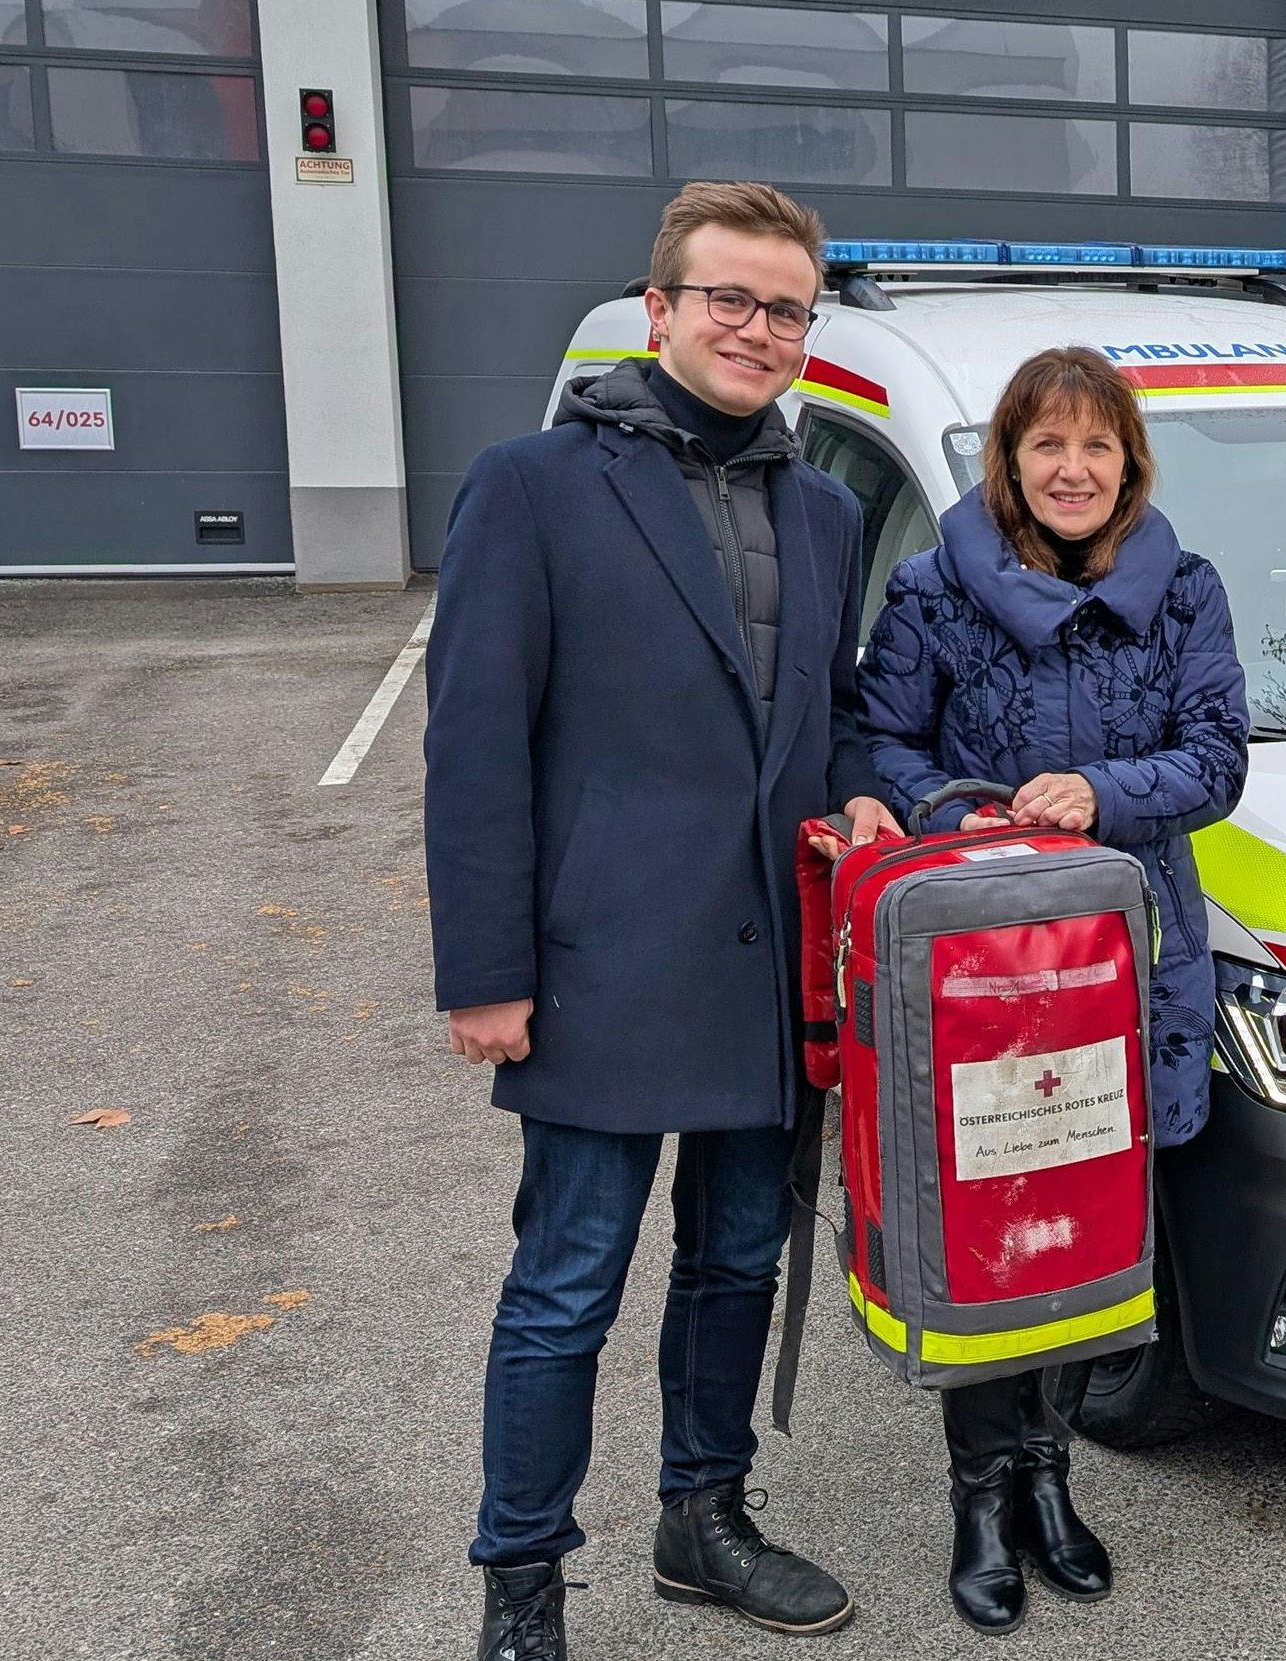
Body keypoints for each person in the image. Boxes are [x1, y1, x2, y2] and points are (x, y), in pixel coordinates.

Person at [428, 180, 901, 1659]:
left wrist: (877, 800)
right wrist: (487, 970)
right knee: (567, 1283)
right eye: (730, 299)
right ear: (663, 309)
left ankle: (704, 1516)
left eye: (784, 308)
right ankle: (522, 1584)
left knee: (738, 1260)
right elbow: (475, 742)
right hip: (601, 971)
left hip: (772, 972)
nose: (757, 329)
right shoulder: (534, 485)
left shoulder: (821, 510)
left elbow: (838, 720)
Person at [851, 345, 1247, 1634]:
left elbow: (1218, 756)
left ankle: (1047, 1475)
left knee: (1082, 1211)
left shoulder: (1185, 591)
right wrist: (957, 819)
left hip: (1134, 957)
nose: (1072, 469)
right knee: (992, 1221)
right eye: (1045, 446)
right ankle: (980, 1491)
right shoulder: (932, 594)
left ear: (1130, 461)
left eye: (1096, 445)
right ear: (1007, 462)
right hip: (984, 966)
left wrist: (1105, 794)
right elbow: (881, 742)